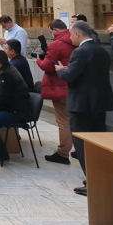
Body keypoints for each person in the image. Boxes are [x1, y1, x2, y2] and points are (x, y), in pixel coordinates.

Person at [55, 21, 113, 196]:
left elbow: (70, 76)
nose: (70, 38)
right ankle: (100, 177)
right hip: (99, 103)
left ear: (77, 34)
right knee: (99, 142)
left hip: (82, 104)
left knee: (82, 143)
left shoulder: (80, 51)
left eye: (71, 34)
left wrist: (60, 70)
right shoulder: (101, 50)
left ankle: (91, 181)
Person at [37, 19, 76, 165]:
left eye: (51, 31)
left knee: (63, 121)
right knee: (72, 119)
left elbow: (47, 66)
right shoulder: (75, 41)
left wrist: (38, 60)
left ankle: (63, 153)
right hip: (73, 85)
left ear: (56, 30)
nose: (51, 34)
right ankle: (75, 150)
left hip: (59, 85)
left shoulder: (57, 44)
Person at [0, 50, 32, 164]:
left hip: (17, 113)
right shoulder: (5, 70)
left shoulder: (6, 74)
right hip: (12, 109)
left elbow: (1, 98)